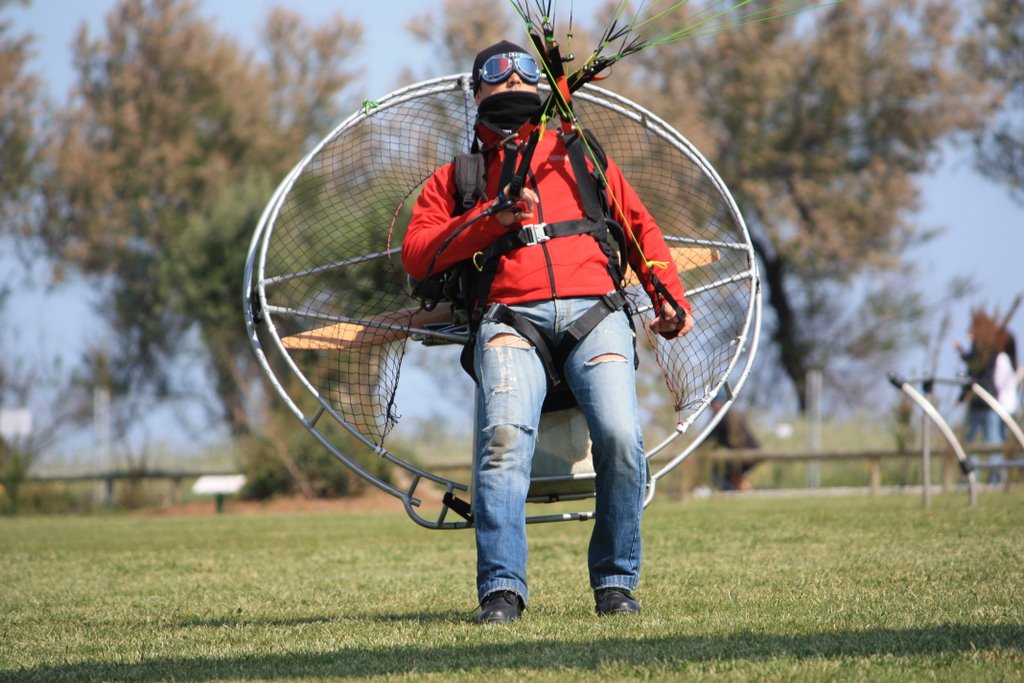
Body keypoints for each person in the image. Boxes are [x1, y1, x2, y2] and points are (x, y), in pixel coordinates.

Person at [402, 40, 694, 624]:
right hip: (511, 321)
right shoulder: (457, 178)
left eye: (523, 72)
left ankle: (615, 583)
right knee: (504, 442)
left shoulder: (581, 155)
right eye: (495, 74)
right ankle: (502, 593)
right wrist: (489, 218)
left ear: (539, 87)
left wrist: (671, 300)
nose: (510, 80)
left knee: (618, 436)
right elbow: (417, 255)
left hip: (598, 313)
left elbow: (639, 229)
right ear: (476, 93)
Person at [954, 310, 1016, 485]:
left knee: (993, 442)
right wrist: (962, 397)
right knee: (970, 442)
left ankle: (997, 478)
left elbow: (983, 374)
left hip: (989, 402)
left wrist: (971, 382)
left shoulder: (991, 351)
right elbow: (971, 367)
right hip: (975, 402)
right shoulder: (976, 350)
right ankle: (970, 478)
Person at [708, 393, 761, 491]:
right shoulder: (724, 417)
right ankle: (737, 489)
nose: (712, 408)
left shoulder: (728, 418)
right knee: (726, 474)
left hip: (746, 454)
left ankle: (730, 490)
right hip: (743, 455)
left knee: (718, 473)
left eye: (714, 404)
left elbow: (710, 437)